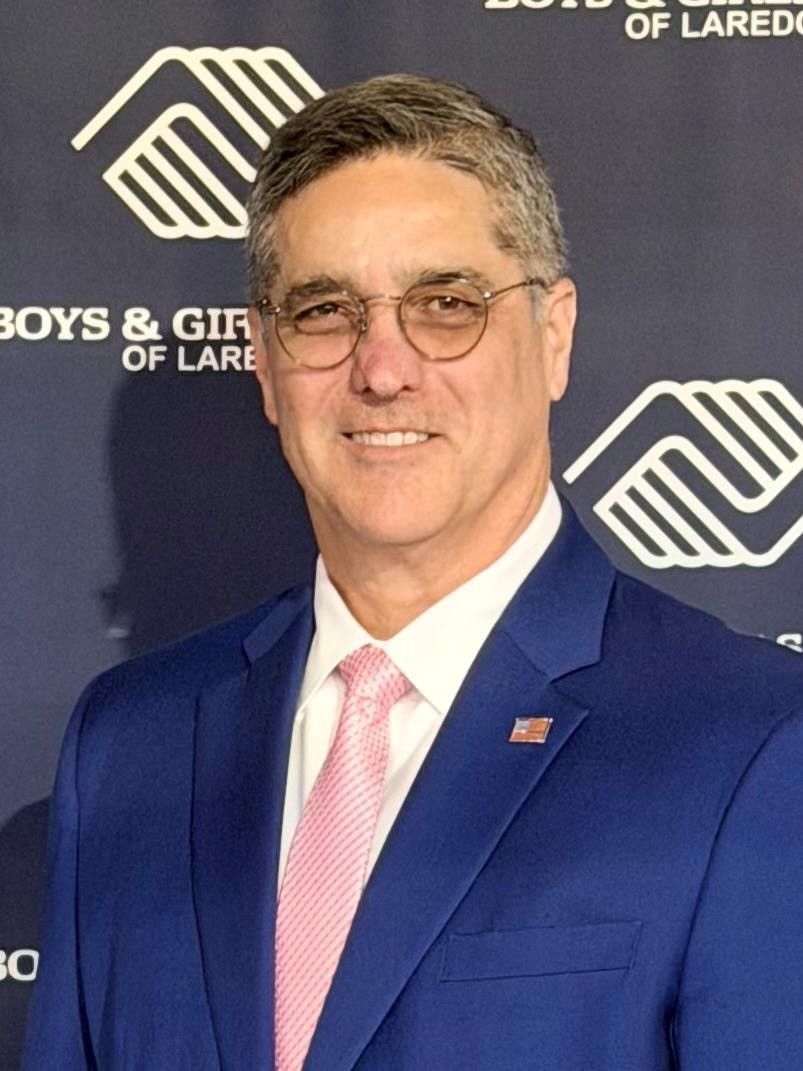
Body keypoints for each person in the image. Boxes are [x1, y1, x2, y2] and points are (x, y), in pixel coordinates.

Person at [23, 75, 803, 1071]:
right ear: (263, 361)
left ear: (553, 336)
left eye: (445, 305)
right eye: (323, 311)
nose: (382, 368)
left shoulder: (750, 742)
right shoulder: (131, 744)